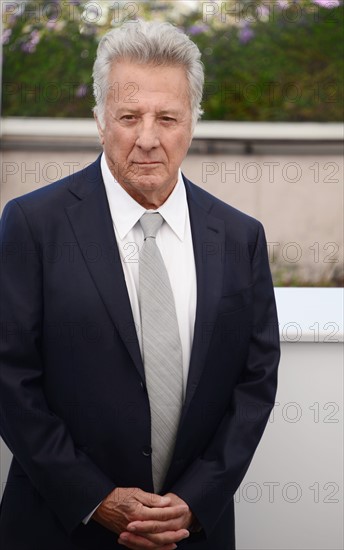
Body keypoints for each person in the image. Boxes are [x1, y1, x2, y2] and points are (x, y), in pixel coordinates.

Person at [0, 20, 280, 550]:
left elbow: (255, 381)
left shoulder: (241, 236)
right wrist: (94, 497)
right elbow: (9, 377)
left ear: (193, 122)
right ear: (100, 119)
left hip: (192, 533)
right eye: (129, 116)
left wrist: (198, 499)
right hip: (60, 527)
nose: (148, 138)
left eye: (168, 117)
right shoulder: (32, 225)